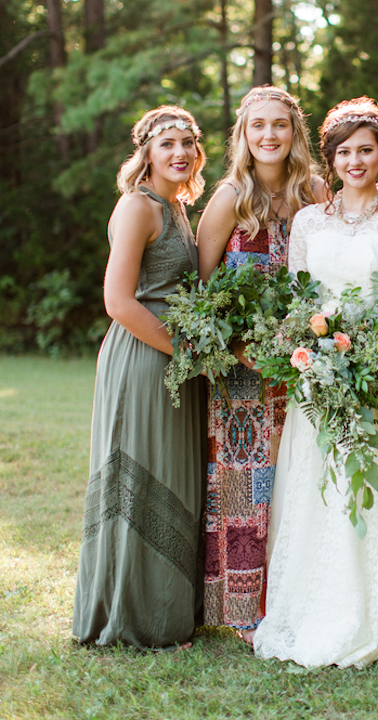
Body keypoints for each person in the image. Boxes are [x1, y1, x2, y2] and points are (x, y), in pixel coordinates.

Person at [254, 97, 378, 668]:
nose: (355, 161)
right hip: (320, 380)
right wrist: (308, 352)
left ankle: (373, 612)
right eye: (344, 152)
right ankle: (309, 608)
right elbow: (298, 302)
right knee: (320, 491)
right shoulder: (309, 221)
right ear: (330, 158)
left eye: (367, 150)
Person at [73, 106, 207, 650]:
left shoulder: (174, 207)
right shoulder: (137, 207)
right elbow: (117, 300)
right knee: (140, 476)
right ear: (146, 152)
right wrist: (184, 352)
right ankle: (129, 614)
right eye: (167, 143)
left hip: (174, 361)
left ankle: (169, 611)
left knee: (173, 476)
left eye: (188, 143)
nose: (179, 152)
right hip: (145, 357)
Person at [196, 85, 325, 644]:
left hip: (303, 368)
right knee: (245, 483)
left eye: (280, 125)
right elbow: (200, 292)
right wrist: (238, 347)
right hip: (243, 374)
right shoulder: (229, 198)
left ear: (294, 132)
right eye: (258, 126)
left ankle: (301, 596)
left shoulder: (315, 193)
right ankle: (245, 609)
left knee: (299, 481)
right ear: (244, 136)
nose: (269, 135)